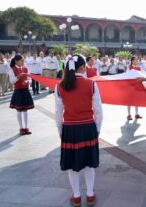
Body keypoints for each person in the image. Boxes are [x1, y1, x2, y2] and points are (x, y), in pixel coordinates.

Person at [55, 55, 103, 206]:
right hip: (88, 127)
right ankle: (90, 194)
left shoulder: (60, 86)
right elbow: (98, 111)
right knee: (89, 163)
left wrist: (60, 130)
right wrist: (98, 129)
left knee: (72, 164)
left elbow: (58, 113)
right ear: (82, 67)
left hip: (69, 128)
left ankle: (76, 196)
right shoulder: (91, 84)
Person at [8, 55, 34, 135]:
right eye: (21, 60)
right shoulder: (12, 69)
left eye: (23, 60)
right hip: (18, 91)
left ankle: (26, 127)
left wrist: (26, 82)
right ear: (16, 61)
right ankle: (21, 128)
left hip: (25, 90)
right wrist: (18, 77)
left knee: (25, 110)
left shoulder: (25, 68)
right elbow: (12, 81)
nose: (23, 62)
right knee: (19, 110)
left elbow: (30, 79)